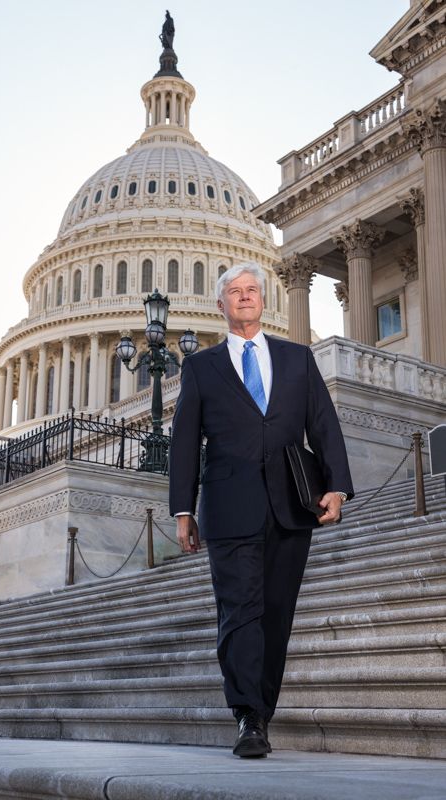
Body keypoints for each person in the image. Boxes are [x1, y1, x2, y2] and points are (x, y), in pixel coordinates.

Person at [169, 262, 354, 758]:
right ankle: (247, 715)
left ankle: (262, 711)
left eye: (252, 289)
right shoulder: (201, 368)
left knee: (276, 613)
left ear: (263, 300)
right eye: (236, 291)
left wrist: (336, 486)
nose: (246, 296)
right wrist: (183, 509)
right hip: (229, 507)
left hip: (292, 503)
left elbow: (323, 422)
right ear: (222, 305)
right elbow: (184, 443)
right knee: (239, 612)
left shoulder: (297, 358)